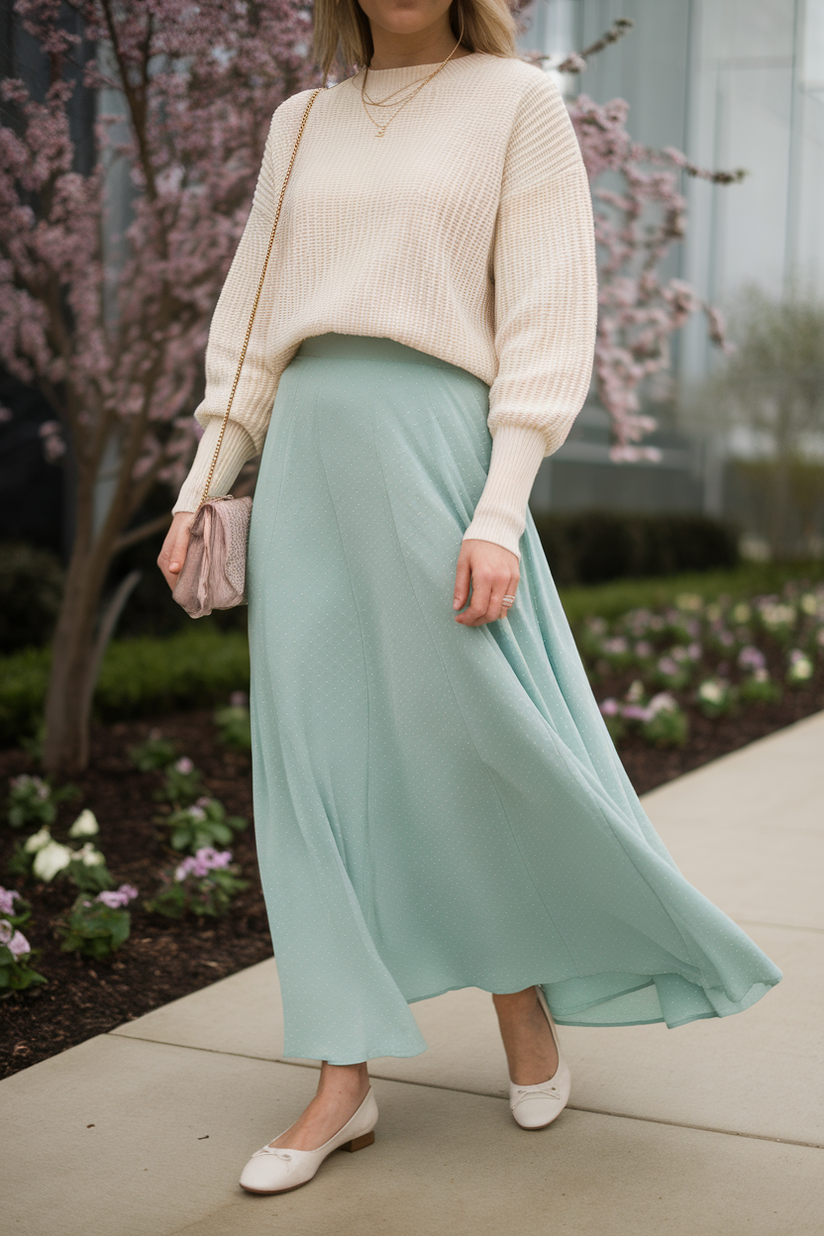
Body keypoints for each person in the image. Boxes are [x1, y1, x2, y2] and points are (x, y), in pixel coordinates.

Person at [158, 0, 781, 1196]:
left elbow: (549, 318)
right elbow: (244, 330)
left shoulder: (519, 107)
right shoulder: (298, 123)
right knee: (313, 762)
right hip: (306, 463)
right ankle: (342, 1079)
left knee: (472, 740)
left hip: (439, 452)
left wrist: (496, 511)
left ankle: (521, 996)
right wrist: (202, 487)